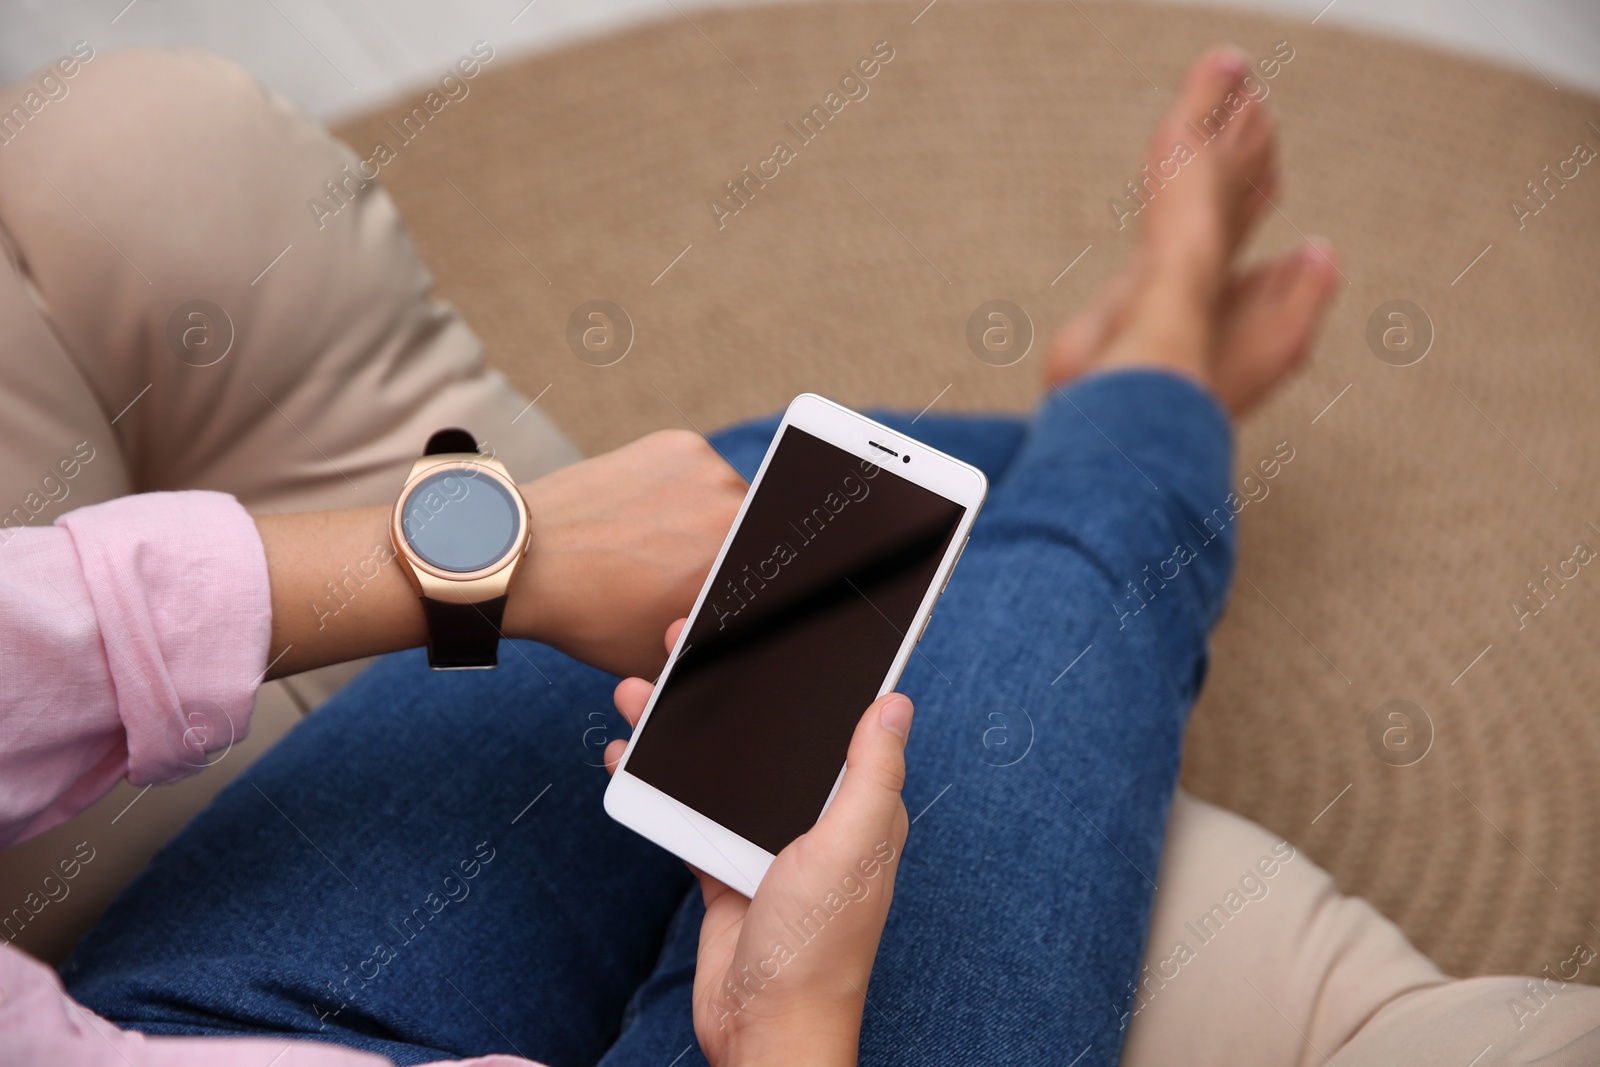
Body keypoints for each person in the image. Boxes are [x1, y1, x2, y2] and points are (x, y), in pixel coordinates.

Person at [0, 41, 1593, 1067]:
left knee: (784, 502)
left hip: (219, 1024)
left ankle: (1108, 416)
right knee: (1032, 610)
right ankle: (1154, 373)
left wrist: (477, 560)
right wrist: (795, 1029)